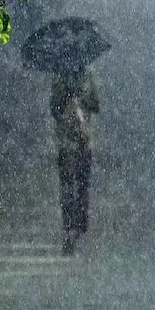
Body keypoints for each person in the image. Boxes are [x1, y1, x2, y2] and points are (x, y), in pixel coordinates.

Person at [50, 63, 100, 255]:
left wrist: (82, 98)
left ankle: (77, 225)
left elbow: (95, 105)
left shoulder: (86, 75)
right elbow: (54, 108)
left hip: (82, 141)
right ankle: (71, 227)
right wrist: (67, 98)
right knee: (70, 187)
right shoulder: (61, 77)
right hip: (68, 143)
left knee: (79, 185)